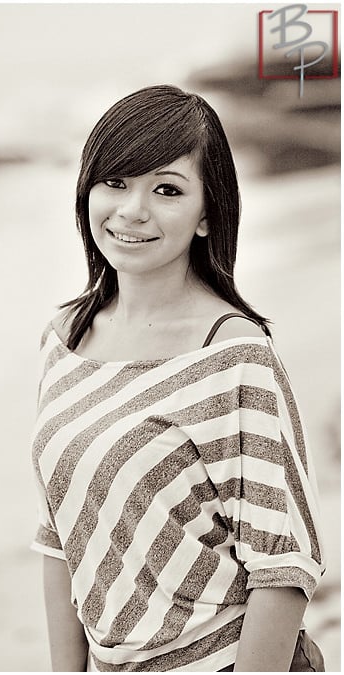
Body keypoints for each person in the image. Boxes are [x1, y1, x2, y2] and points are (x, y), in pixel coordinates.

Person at [31, 86, 325, 671]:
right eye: (115, 181)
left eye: (167, 190)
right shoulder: (65, 336)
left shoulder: (232, 354)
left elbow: (283, 564)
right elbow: (58, 536)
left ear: (207, 214)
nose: (132, 210)